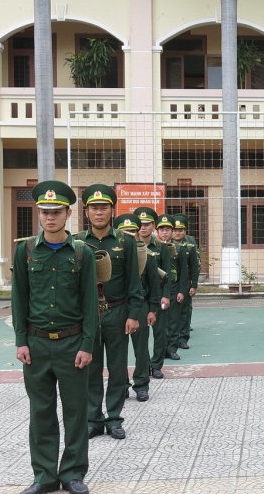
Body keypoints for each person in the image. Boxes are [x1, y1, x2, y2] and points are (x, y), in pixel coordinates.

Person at [12, 181, 96, 494]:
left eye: (57, 212)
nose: (50, 217)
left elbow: (90, 303)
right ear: (38, 214)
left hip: (72, 344)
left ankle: (73, 473)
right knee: (41, 411)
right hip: (35, 344)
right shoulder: (26, 251)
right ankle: (44, 476)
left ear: (68, 214)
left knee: (75, 411)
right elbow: (18, 298)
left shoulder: (82, 253)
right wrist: (21, 340)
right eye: (45, 212)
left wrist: (87, 345)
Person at [81, 184, 142, 441]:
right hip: (89, 316)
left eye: (103, 207)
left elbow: (133, 281)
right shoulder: (77, 243)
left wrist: (134, 314)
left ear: (112, 210)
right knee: (91, 369)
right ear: (86, 212)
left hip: (118, 312)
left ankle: (114, 418)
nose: (99, 212)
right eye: (94, 208)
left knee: (117, 369)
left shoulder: (125, 242)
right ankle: (93, 419)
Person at [114, 213, 160, 401]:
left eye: (133, 231)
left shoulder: (146, 256)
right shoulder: (113, 255)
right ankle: (121, 384)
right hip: (117, 305)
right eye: (126, 232)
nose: (131, 235)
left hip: (140, 305)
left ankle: (141, 384)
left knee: (141, 348)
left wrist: (152, 309)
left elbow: (154, 284)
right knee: (118, 350)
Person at [134, 207, 175, 379]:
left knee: (159, 333)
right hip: (140, 297)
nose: (143, 228)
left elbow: (168, 273)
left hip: (158, 297)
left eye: (147, 224)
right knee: (141, 338)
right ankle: (143, 367)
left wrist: (166, 295)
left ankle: (156, 365)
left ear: (153, 226)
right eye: (140, 224)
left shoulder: (160, 247)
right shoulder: (130, 246)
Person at [157, 214, 189, 362]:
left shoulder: (178, 248)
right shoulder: (153, 248)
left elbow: (183, 272)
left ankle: (172, 349)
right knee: (159, 324)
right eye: (162, 229)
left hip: (174, 289)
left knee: (173, 322)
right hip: (157, 291)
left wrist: (182, 290)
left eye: (168, 229)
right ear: (157, 231)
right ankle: (160, 350)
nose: (165, 232)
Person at [172, 213, 200, 350]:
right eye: (175, 230)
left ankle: (183, 338)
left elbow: (195, 266)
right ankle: (172, 338)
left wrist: (194, 285)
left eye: (180, 230)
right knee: (171, 314)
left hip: (185, 283)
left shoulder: (189, 245)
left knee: (184, 312)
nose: (177, 233)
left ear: (185, 231)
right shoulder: (166, 244)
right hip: (170, 283)